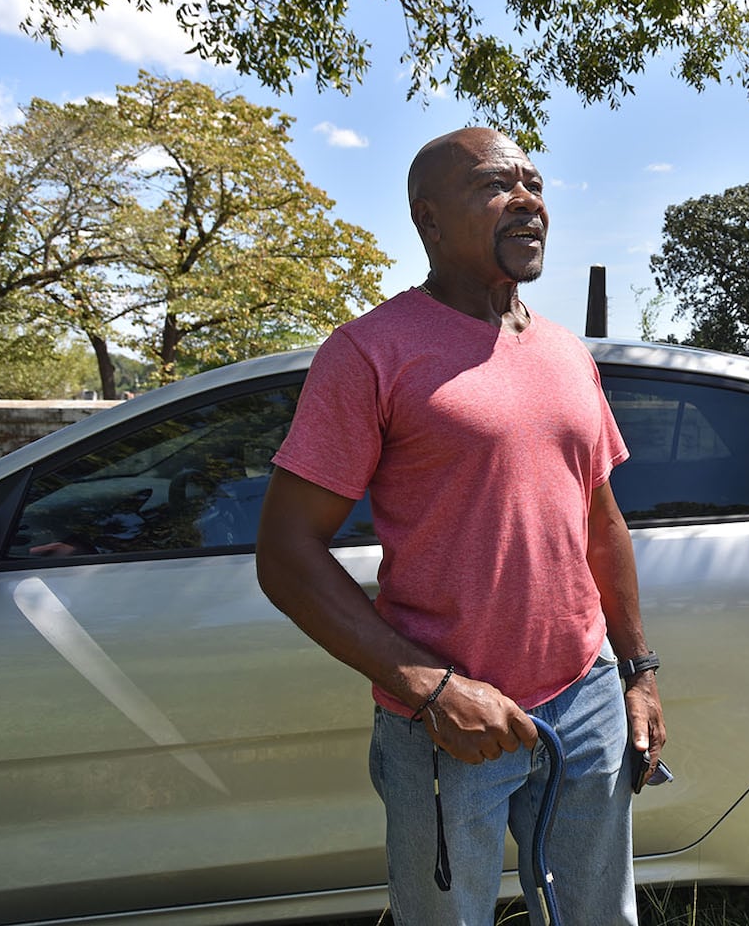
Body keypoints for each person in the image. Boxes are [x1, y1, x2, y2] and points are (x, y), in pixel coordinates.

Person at [254, 127, 665, 925]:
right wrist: (426, 687)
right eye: (494, 185)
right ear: (429, 222)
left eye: (533, 182)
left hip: (583, 702)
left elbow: (597, 517)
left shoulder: (564, 353)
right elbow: (286, 552)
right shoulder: (369, 353)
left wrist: (638, 671)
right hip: (445, 725)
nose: (527, 201)